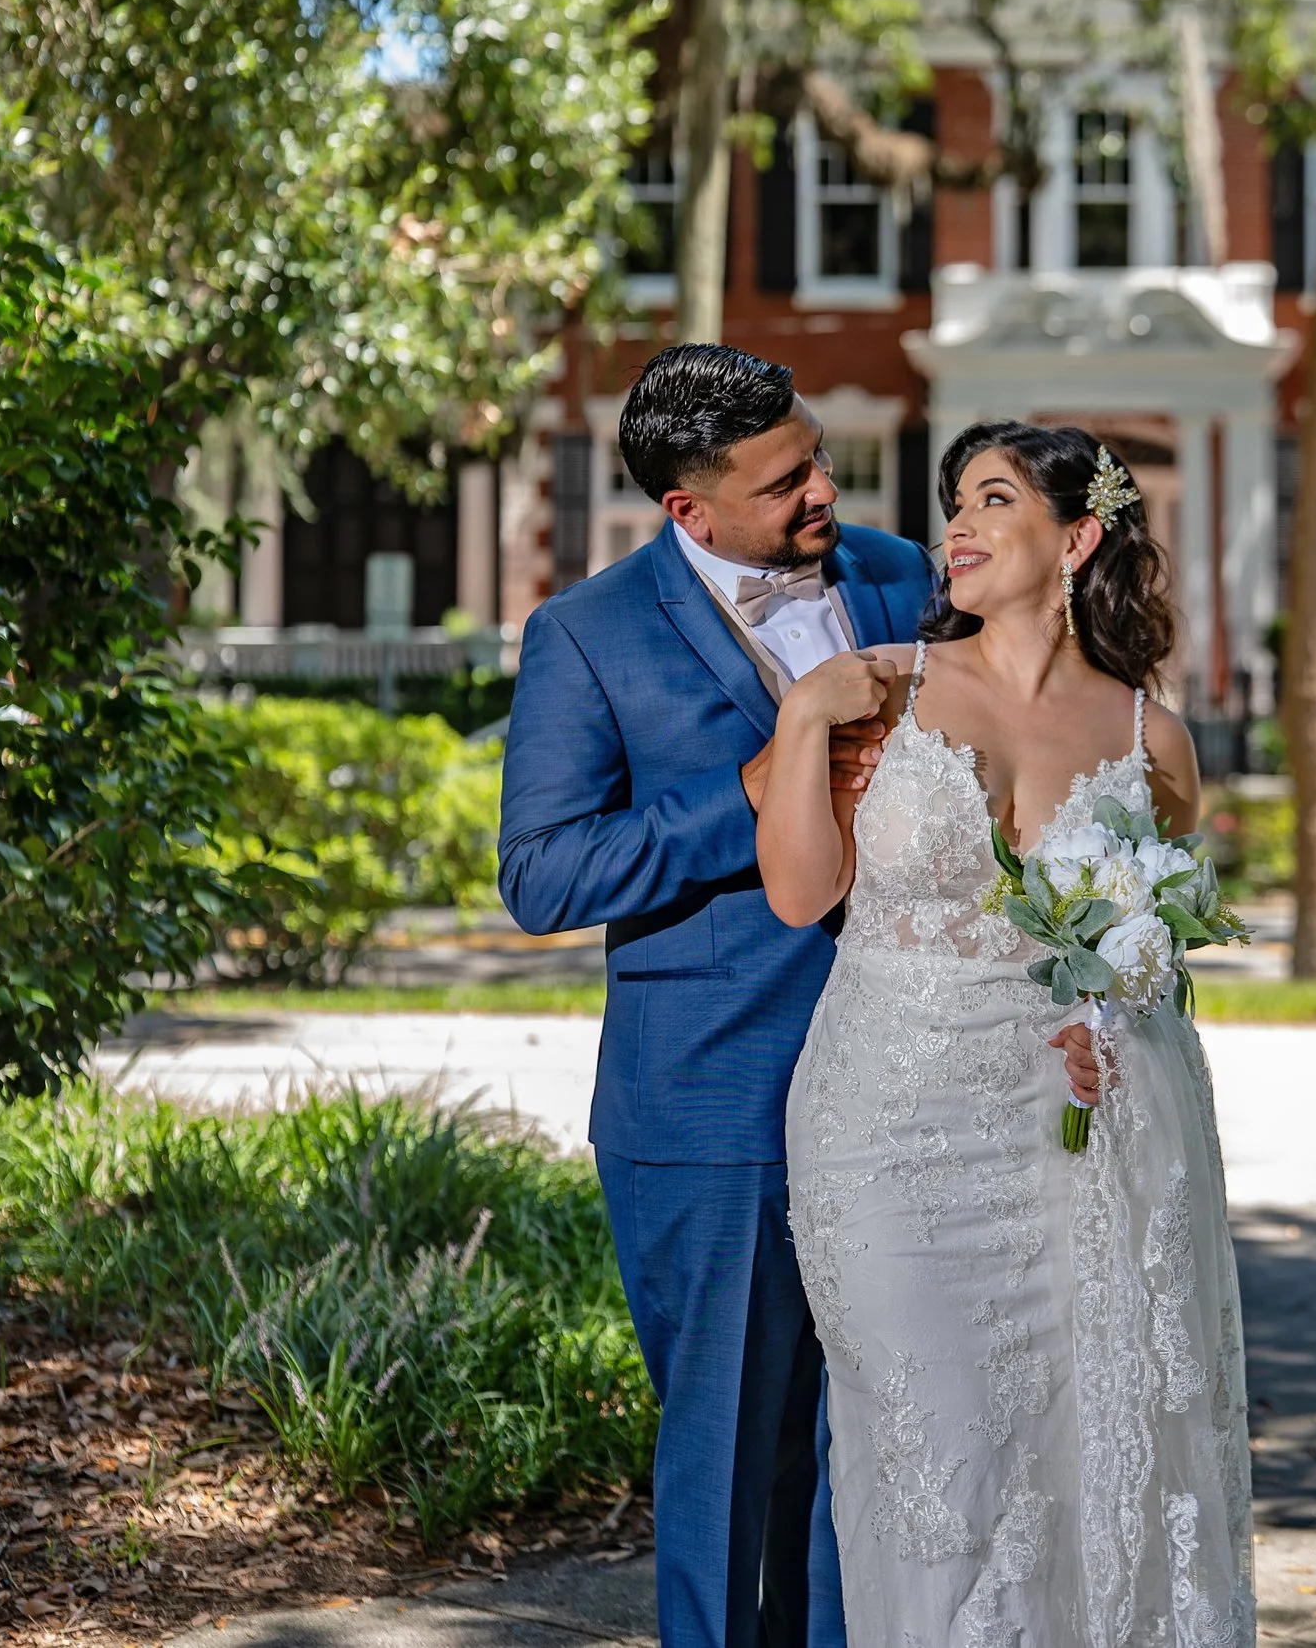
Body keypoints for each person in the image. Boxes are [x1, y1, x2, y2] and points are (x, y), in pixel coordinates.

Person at [755, 421, 1257, 1648]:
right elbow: (799, 895)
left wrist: (1107, 1026)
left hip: (1062, 1153)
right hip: (883, 1125)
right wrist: (811, 714)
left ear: (1077, 537)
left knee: (1067, 1456)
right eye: (953, 506)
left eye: (991, 501)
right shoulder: (882, 684)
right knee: (934, 1459)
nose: (956, 528)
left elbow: (1146, 946)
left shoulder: (1153, 743)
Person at [497, 344, 937, 1648]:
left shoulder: (901, 578)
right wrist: (746, 794)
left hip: (908, 1086)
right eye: (786, 476)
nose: (823, 487)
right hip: (707, 1105)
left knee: (863, 1452)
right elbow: (543, 873)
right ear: (689, 509)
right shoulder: (586, 636)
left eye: (816, 456)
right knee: (727, 1457)